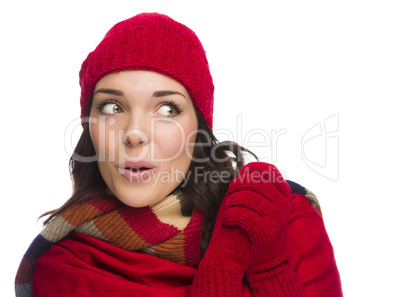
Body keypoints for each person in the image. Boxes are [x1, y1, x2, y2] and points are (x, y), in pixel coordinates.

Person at [15, 12, 342, 296]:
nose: (134, 134)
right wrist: (225, 262)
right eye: (112, 107)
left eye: (167, 108)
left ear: (197, 128)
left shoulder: (283, 218)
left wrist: (270, 268)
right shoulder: (64, 266)